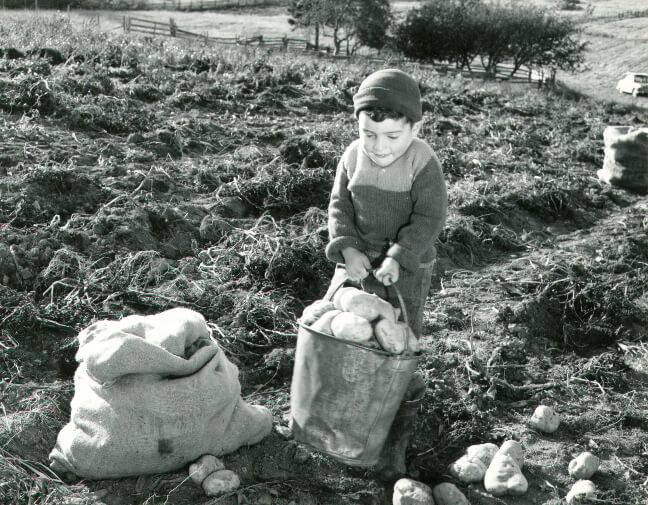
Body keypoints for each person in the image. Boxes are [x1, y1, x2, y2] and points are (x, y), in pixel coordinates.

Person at [324, 68, 448, 480]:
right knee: (340, 329)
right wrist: (348, 247)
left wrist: (398, 256)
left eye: (392, 136)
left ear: (415, 127)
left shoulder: (423, 163)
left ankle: (393, 437)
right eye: (368, 133)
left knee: (399, 342)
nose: (379, 147)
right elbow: (339, 207)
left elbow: (429, 217)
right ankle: (338, 418)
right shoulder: (351, 157)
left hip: (406, 268)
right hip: (357, 262)